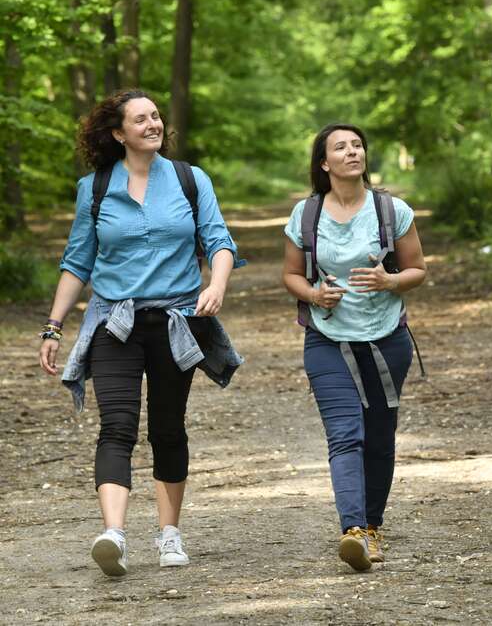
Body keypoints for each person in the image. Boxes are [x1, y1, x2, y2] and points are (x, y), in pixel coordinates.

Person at [38, 89, 244, 577]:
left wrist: (216, 284)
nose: (153, 124)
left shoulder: (190, 180)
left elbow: (218, 240)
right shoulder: (95, 187)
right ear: (118, 133)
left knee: (168, 428)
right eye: (141, 119)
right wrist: (53, 325)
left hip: (177, 321)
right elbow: (77, 261)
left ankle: (170, 534)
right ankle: (114, 535)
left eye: (156, 116)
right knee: (117, 426)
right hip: (115, 322)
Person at [282, 123, 426, 571]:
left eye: (357, 145)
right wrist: (313, 295)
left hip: (387, 340)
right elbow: (290, 276)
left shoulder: (391, 210)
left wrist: (389, 280)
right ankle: (354, 531)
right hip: (326, 340)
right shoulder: (305, 215)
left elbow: (417, 270)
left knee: (379, 439)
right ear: (324, 163)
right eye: (340, 147)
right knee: (346, 435)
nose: (352, 152)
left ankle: (374, 526)